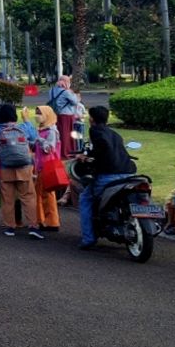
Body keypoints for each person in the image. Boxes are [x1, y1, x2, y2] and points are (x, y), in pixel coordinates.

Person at [76, 105, 136, 250]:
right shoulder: (115, 134)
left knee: (85, 199)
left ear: (91, 119)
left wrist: (87, 157)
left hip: (108, 176)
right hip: (128, 174)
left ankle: (88, 238)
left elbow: (102, 147)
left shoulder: (95, 131)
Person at [0, 103, 43, 240]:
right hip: (24, 167)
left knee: (7, 199)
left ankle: (10, 227)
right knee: (28, 197)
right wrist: (26, 120)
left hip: (5, 168)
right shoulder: (23, 128)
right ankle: (33, 226)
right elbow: (35, 138)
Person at [32, 105, 61, 232]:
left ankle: (49, 221)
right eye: (36, 113)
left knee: (45, 194)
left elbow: (49, 148)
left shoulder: (51, 131)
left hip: (47, 166)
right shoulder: (43, 129)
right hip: (41, 165)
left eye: (40, 113)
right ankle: (45, 220)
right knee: (42, 194)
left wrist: (39, 140)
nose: (37, 116)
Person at [47, 75, 81, 154]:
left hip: (55, 114)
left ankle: (57, 150)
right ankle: (66, 151)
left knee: (58, 133)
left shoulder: (51, 90)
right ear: (67, 82)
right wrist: (72, 93)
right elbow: (76, 101)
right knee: (66, 134)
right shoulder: (66, 92)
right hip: (66, 115)